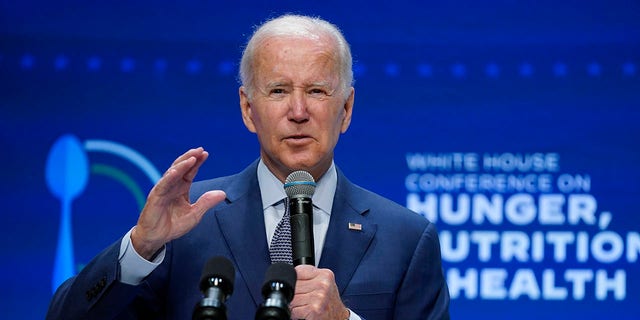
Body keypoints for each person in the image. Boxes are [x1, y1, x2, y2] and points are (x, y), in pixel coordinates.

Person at [46, 14, 450, 320]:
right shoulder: (187, 222)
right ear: (247, 108)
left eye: (316, 91)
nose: (298, 111)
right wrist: (141, 246)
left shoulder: (407, 240)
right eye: (278, 91)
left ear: (345, 110)